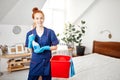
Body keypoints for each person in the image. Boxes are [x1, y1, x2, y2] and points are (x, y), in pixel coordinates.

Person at [25, 7, 59, 80]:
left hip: (47, 61)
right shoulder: (29, 34)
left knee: (46, 78)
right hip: (35, 61)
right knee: (32, 78)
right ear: (34, 20)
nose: (39, 20)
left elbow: (55, 46)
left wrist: (45, 48)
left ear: (43, 19)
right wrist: (30, 42)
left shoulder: (50, 32)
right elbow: (29, 50)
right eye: (37, 18)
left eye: (41, 18)